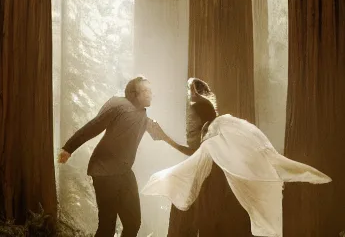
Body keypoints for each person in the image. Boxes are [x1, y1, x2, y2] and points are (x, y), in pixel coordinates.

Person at [142, 78, 332, 237]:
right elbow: (202, 153)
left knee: (205, 217)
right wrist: (166, 138)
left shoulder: (217, 127)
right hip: (221, 185)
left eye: (192, 98)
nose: (189, 119)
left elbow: (203, 153)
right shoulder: (219, 128)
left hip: (222, 187)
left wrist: (165, 138)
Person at [57, 75, 184, 237]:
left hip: (124, 172)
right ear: (133, 93)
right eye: (145, 91)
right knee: (107, 226)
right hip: (103, 171)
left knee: (133, 223)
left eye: (150, 91)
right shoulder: (119, 105)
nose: (149, 94)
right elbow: (94, 126)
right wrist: (69, 148)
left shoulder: (144, 118)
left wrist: (188, 150)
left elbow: (163, 136)